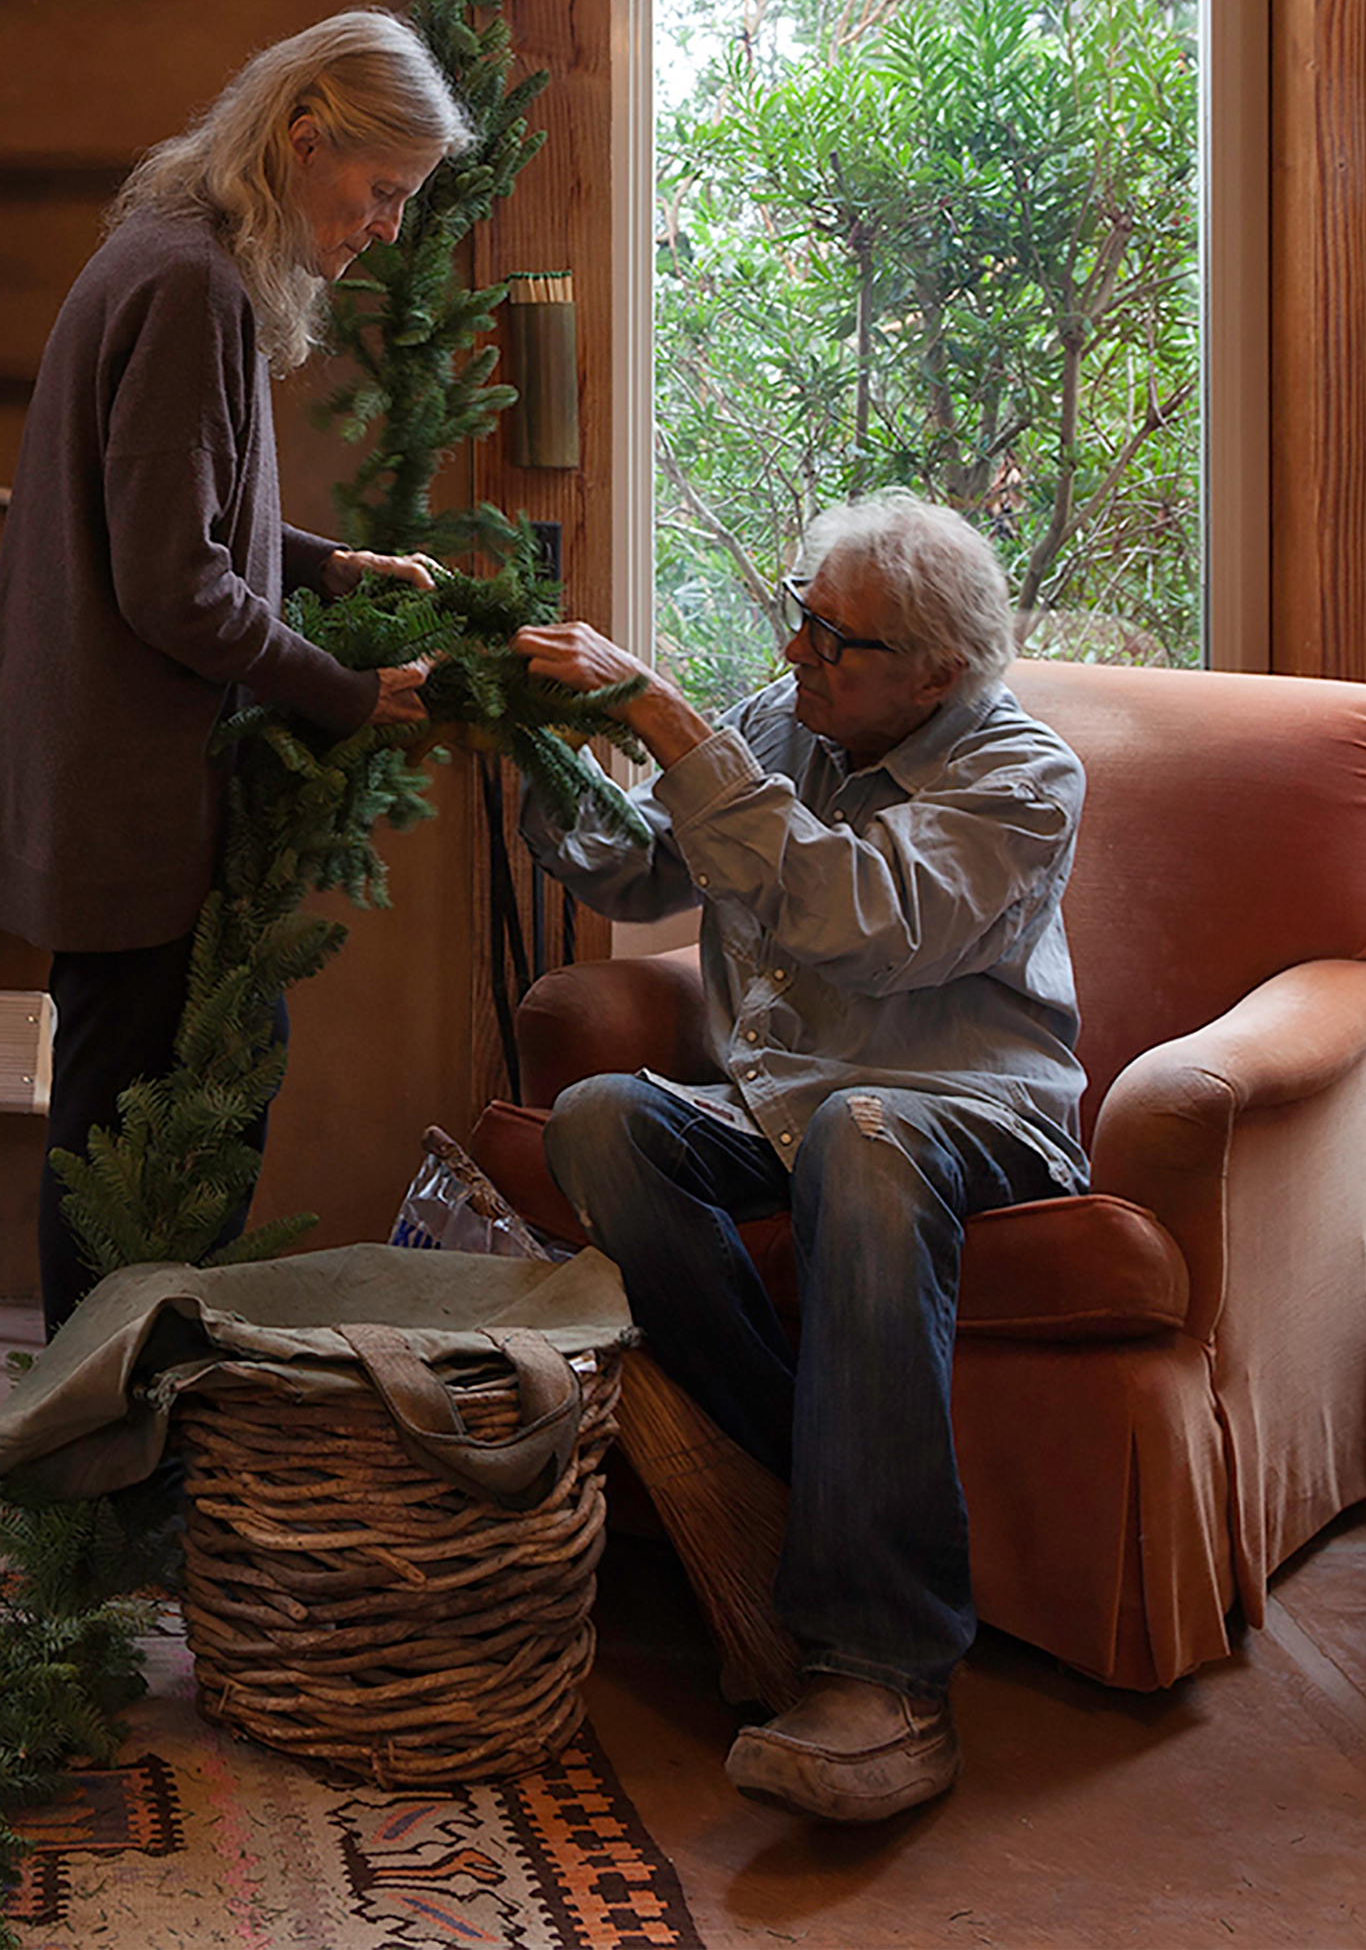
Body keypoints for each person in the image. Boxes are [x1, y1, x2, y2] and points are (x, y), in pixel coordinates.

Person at [513, 493, 1083, 1823]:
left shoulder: (1022, 774)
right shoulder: (787, 728)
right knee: (600, 1121)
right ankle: (811, 1482)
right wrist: (527, 740)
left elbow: (867, 921)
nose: (796, 660)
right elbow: (630, 868)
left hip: (961, 1108)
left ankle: (887, 1669)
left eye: (836, 643)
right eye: (800, 620)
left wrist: (665, 715)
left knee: (863, 1134)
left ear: (939, 671)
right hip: (786, 1108)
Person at [0, 10, 473, 1334]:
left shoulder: (169, 252)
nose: (386, 229)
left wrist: (328, 565)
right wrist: (353, 693)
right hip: (129, 788)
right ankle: (106, 1463)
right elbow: (171, 586)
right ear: (308, 138)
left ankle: (117, 1436)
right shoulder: (191, 286)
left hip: (107, 771)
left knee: (152, 1106)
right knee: (135, 1138)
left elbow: (179, 519)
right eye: (383, 190)